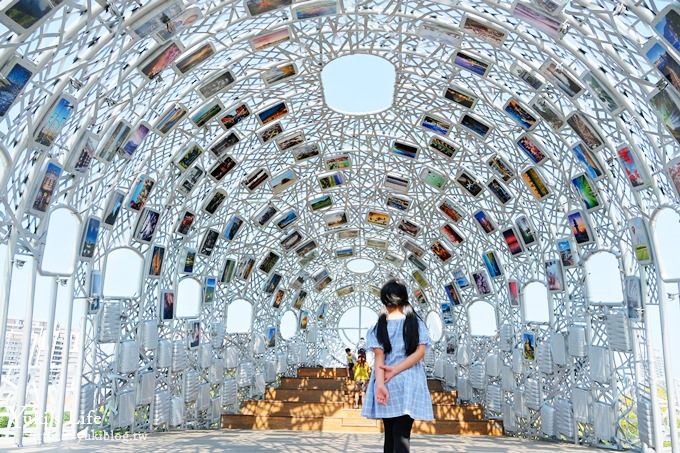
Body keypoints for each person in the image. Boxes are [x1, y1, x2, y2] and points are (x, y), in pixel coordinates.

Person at [362, 279, 433, 453]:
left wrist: (380, 385)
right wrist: (397, 370)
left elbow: (379, 359)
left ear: (384, 300)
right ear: (404, 298)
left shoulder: (378, 326)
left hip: (386, 381)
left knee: (390, 435)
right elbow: (419, 353)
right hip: (410, 382)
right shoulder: (416, 323)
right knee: (402, 435)